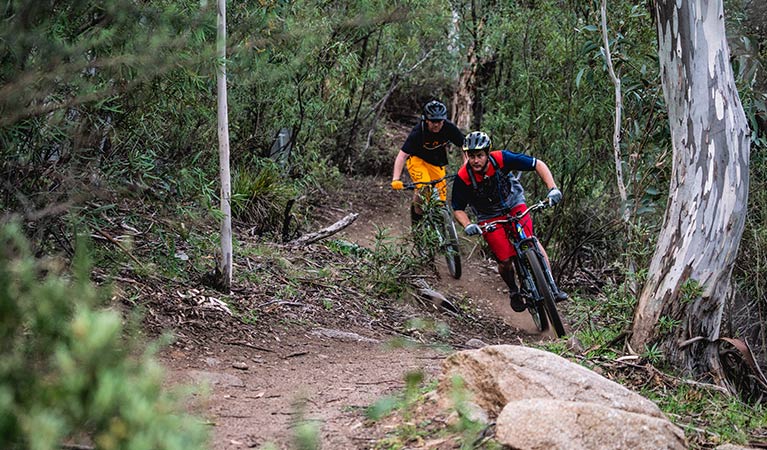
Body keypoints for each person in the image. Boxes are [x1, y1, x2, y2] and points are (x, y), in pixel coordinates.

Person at [451, 131, 568, 312]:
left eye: (480, 155)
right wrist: (468, 225)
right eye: (471, 156)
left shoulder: (501, 159)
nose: (476, 160)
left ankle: (551, 286)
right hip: (489, 217)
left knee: (530, 240)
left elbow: (538, 164)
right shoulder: (463, 177)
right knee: (505, 260)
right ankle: (514, 290)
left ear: (487, 153)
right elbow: (458, 208)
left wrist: (552, 188)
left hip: (514, 204)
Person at [390, 100, 465, 226]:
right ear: (426, 120)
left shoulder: (448, 127)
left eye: (439, 121)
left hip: (436, 163)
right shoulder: (419, 131)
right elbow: (402, 156)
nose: (436, 125)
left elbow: (464, 145)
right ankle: (417, 223)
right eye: (433, 121)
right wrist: (396, 179)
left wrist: (466, 166)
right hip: (417, 161)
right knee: (424, 189)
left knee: (441, 200)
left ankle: (442, 229)